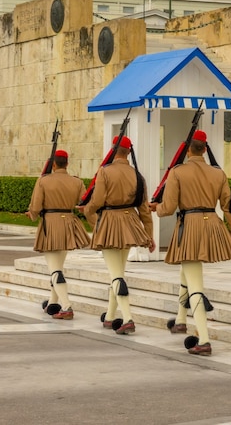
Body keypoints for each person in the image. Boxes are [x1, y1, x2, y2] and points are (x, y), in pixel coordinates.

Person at [149, 130, 231, 356]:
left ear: (187, 150)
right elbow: (229, 208)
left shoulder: (178, 172)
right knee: (187, 274)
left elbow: (169, 207)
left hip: (190, 227)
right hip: (211, 225)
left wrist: (156, 208)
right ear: (205, 149)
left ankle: (203, 339)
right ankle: (181, 320)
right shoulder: (218, 173)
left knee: (195, 285)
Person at [79, 135, 156, 335]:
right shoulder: (138, 176)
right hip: (130, 223)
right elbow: (144, 210)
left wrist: (87, 210)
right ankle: (111, 315)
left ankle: (128, 317)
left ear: (113, 150)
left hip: (111, 223)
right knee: (118, 272)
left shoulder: (105, 171)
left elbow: (97, 200)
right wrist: (149, 236)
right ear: (129, 152)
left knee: (115, 274)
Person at [26, 149, 91, 320]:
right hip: (68, 223)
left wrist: (32, 214)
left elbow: (36, 206)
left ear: (53, 164)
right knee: (58, 267)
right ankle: (53, 302)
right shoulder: (76, 182)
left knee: (54, 269)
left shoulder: (43, 181)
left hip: (51, 223)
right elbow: (83, 204)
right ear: (67, 164)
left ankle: (67, 306)